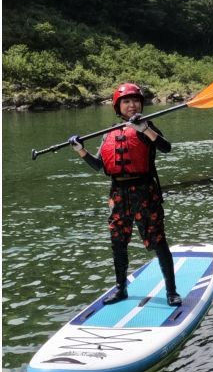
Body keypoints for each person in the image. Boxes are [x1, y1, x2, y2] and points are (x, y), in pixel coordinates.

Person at [67, 83, 182, 306]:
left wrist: (145, 129)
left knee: (158, 241)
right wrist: (80, 150)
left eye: (136, 101)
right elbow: (99, 165)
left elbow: (166, 147)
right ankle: (121, 289)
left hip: (145, 192)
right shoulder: (109, 133)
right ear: (118, 107)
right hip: (118, 193)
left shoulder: (147, 127)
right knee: (118, 242)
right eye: (126, 102)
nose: (132, 105)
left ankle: (171, 291)